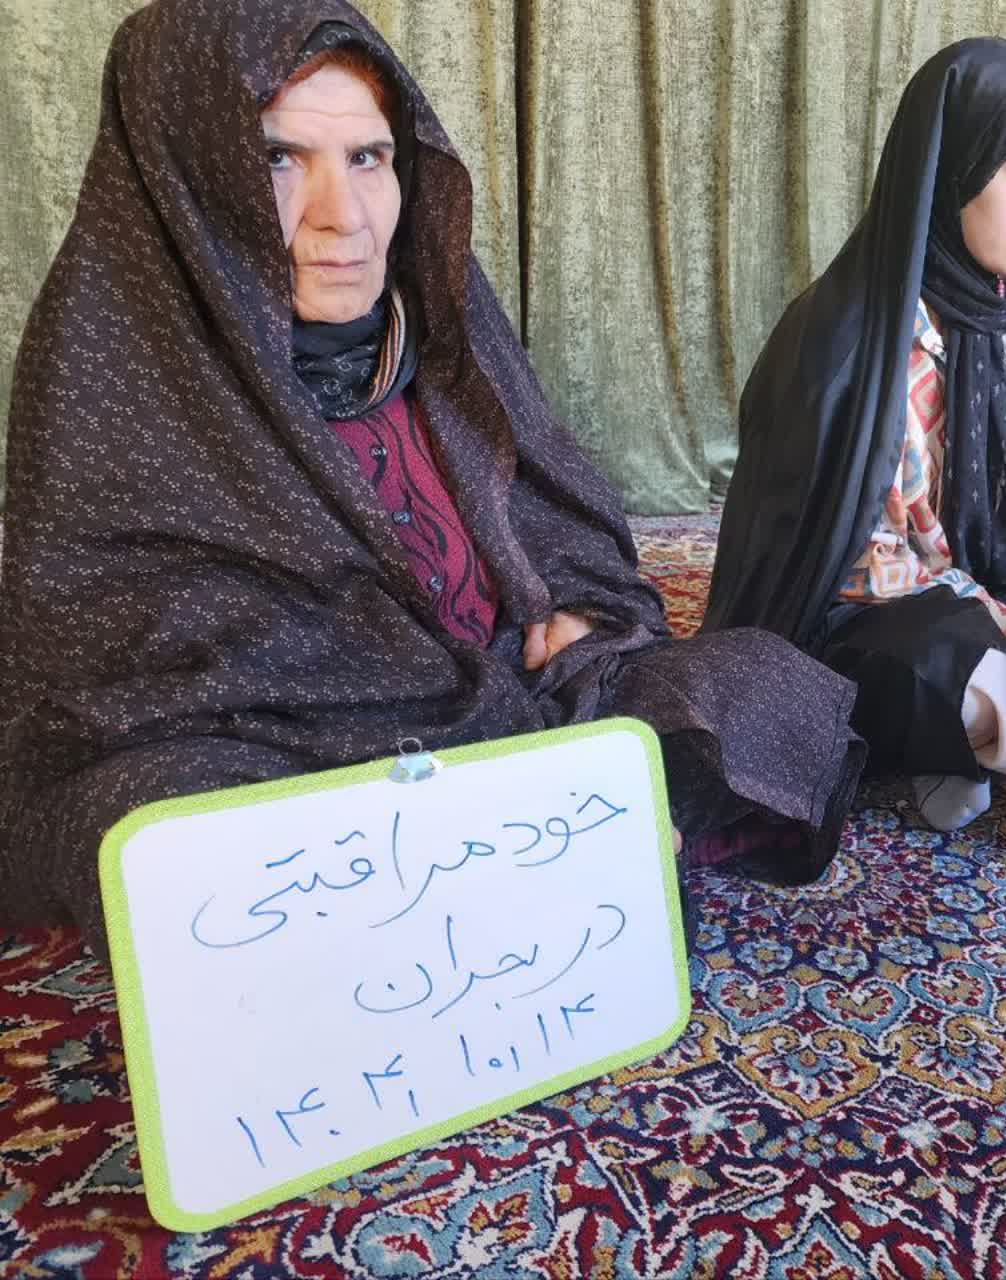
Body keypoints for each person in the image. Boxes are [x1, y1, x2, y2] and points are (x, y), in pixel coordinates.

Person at [0, 0, 863, 960]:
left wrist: (575, 607)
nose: (343, 216)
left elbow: (561, 515)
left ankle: (503, 868)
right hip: (284, 752)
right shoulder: (111, 367)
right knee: (152, 822)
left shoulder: (437, 328)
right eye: (279, 158)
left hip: (518, 697)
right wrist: (416, 692)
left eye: (368, 158)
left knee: (760, 681)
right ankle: (549, 854)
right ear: (184, 173)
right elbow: (107, 666)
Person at [705, 38, 1006, 832]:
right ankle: (995, 744)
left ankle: (987, 739)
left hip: (971, 592)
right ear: (954, 167)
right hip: (854, 611)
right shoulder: (845, 341)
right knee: (946, 664)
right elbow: (863, 562)